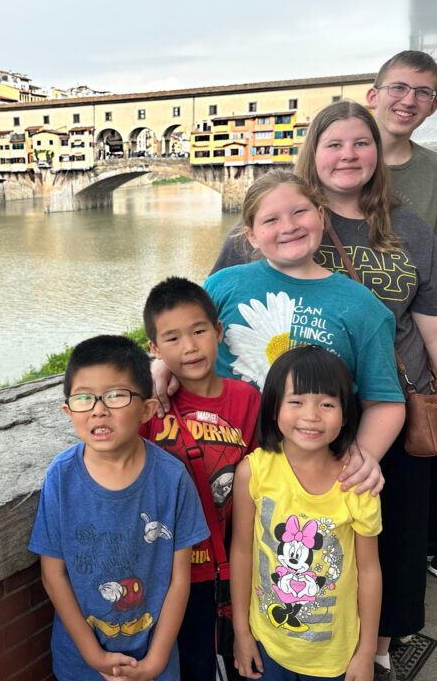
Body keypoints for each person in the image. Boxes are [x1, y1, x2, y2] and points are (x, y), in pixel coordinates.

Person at [292, 100, 437, 679]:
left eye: (361, 143)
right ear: (314, 152)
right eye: (334, 143)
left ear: (378, 154)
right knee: (309, 541)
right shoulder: (286, 216)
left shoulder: (406, 226)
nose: (348, 155)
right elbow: (222, 303)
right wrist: (162, 364)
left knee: (397, 539)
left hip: (397, 414)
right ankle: (304, 641)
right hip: (305, 418)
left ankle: (378, 650)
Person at [155, 170, 406, 498]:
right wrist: (162, 365)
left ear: (320, 216)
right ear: (252, 236)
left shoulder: (362, 307)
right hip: (217, 466)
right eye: (271, 220)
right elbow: (186, 342)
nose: (288, 227)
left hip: (306, 477)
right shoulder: (222, 286)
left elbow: (384, 401)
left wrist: (366, 453)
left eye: (299, 212)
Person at [28, 335, 209, 680]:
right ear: (69, 411)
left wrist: (155, 662)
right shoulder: (61, 478)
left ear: (146, 409)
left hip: (153, 659)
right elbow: (53, 574)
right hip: (80, 662)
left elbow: (179, 578)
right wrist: (94, 656)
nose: (98, 408)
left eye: (115, 395)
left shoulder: (171, 479)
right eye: (84, 398)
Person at [210, 50, 437, 272]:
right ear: (373, 96)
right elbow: (234, 263)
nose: (409, 100)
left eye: (422, 92)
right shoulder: (309, 176)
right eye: (398, 88)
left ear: (433, 106)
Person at [230, 345, 381, 681]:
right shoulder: (254, 472)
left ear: (345, 414)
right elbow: (241, 551)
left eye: (327, 404)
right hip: (267, 642)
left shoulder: (357, 483)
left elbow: (369, 571)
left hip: (334, 655)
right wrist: (241, 633)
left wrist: (366, 651)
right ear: (272, 408)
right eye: (296, 401)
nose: (312, 415)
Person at [141, 276, 262, 680]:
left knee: (233, 660)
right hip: (171, 572)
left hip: (232, 566)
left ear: (218, 332)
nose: (189, 347)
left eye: (198, 331)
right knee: (189, 663)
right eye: (171, 339)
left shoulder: (247, 399)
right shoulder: (150, 407)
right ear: (155, 350)